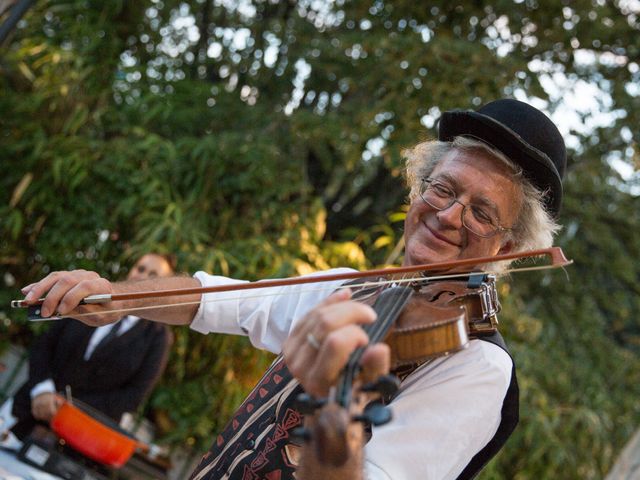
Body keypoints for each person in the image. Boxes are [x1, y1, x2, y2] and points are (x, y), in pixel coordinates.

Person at [17, 99, 566, 479]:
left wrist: (334, 409)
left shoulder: (478, 367)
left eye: (481, 212)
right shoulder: (362, 290)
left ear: (506, 249)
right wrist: (118, 298)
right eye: (442, 188)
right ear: (417, 191)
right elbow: (236, 300)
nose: (447, 216)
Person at [6, 253, 175, 442]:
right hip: (28, 407)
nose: (142, 276)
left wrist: (68, 407)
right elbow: (44, 345)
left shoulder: (158, 336)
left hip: (78, 435)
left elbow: (133, 395)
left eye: (153, 275)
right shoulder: (90, 300)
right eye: (140, 268)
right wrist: (42, 389)